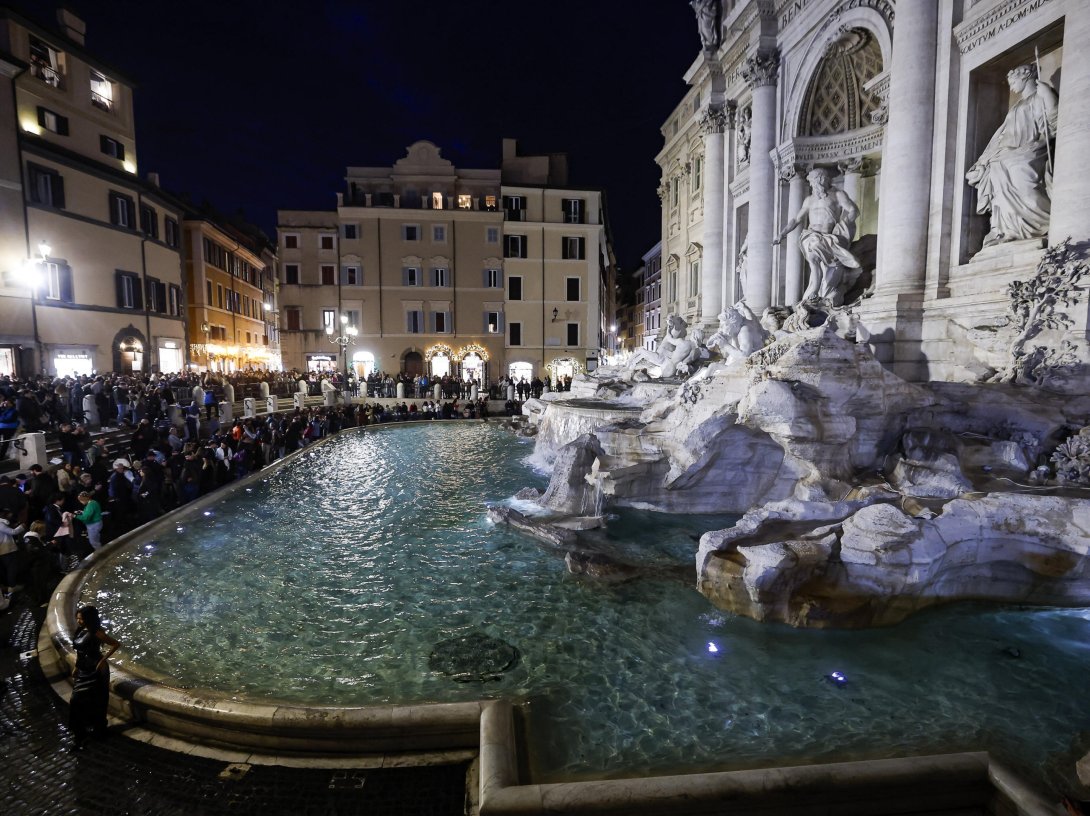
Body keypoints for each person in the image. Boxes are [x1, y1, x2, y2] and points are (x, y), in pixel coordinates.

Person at [966, 63, 1058, 248]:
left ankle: (1039, 222)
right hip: (1006, 153)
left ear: (1025, 76)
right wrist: (985, 159)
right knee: (998, 165)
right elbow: (1002, 136)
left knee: (1017, 170)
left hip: (1031, 150)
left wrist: (1047, 94)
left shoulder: (1038, 98)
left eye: (1013, 80)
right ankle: (1007, 229)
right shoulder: (1016, 106)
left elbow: (1051, 125)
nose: (1011, 86)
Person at [773, 166, 861, 306]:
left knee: (827, 270)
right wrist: (782, 234)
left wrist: (844, 225)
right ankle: (814, 290)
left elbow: (853, 210)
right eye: (811, 182)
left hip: (829, 237)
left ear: (822, 180)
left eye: (814, 182)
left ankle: (818, 292)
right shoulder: (809, 200)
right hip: (811, 235)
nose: (812, 185)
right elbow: (796, 219)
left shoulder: (838, 194)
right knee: (813, 255)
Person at [68, 605, 119, 751]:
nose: (78, 621)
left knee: (97, 700)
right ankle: (80, 734)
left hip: (96, 671)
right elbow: (80, 652)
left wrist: (103, 660)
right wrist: (77, 666)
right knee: (76, 701)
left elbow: (115, 644)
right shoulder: (80, 631)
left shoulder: (97, 632)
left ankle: (97, 730)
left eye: (81, 618)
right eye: (77, 618)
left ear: (88, 619)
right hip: (84, 669)